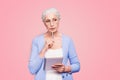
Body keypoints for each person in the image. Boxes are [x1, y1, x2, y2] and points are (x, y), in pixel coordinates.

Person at [28, 8, 80, 80]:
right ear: (44, 23)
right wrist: (44, 49)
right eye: (48, 21)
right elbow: (32, 69)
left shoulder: (68, 40)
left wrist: (65, 68)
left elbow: (77, 66)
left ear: (59, 20)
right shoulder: (37, 41)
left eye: (54, 20)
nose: (52, 24)